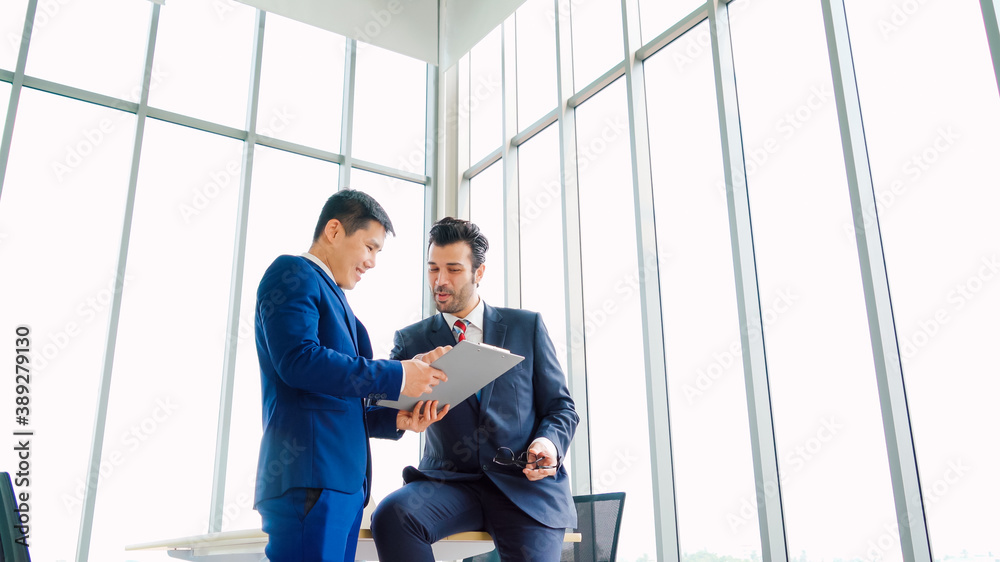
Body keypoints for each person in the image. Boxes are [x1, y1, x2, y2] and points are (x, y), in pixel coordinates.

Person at [253, 189, 451, 562]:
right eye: (370, 247)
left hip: (341, 486)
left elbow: (338, 397)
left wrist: (398, 417)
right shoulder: (293, 273)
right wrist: (397, 375)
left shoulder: (340, 303)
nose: (372, 262)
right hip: (311, 478)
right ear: (333, 230)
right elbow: (299, 361)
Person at [371, 217, 579, 562]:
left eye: (453, 269)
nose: (440, 281)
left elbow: (561, 407)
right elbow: (378, 408)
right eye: (433, 268)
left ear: (478, 273)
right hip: (449, 484)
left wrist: (548, 443)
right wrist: (403, 415)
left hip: (522, 485)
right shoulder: (412, 340)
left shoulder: (526, 327)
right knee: (394, 515)